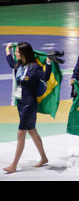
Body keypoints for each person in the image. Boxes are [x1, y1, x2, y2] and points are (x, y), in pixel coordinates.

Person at [3, 42, 53, 174]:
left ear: (24, 54)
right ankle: (44, 157)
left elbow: (46, 77)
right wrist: (8, 49)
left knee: (21, 133)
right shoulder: (19, 65)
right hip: (20, 103)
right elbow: (10, 62)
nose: (15, 54)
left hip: (29, 104)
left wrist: (48, 63)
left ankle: (14, 165)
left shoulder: (35, 68)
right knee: (32, 131)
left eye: (17, 52)